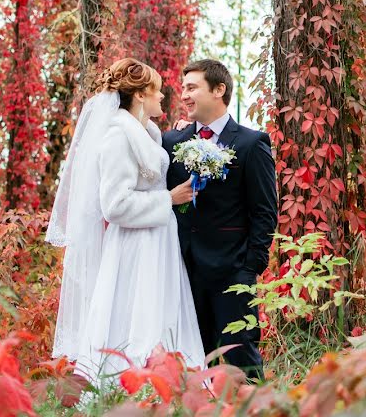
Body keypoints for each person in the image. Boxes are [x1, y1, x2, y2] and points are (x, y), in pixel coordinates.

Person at [45, 58, 204, 380]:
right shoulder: (118, 136)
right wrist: (168, 199)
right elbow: (114, 206)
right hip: (134, 247)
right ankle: (128, 388)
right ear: (141, 94)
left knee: (161, 318)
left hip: (158, 241)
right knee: (134, 320)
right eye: (158, 91)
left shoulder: (147, 134)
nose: (164, 97)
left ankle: (166, 387)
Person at [162, 59, 278, 380]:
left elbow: (265, 210)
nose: (184, 95)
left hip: (233, 270)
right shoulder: (171, 142)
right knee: (192, 361)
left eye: (191, 87)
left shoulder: (251, 143)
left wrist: (249, 264)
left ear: (218, 90)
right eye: (183, 88)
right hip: (183, 271)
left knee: (242, 358)